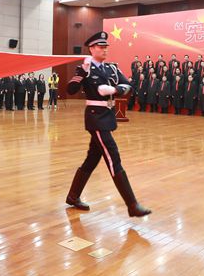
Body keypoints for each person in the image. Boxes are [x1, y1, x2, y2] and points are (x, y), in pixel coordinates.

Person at [64, 32, 151, 217]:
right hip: (95, 118)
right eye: (101, 47)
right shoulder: (85, 68)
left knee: (92, 159)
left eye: (106, 47)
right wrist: (82, 73)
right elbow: (70, 90)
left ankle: (73, 196)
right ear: (91, 49)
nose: (105, 50)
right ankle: (132, 205)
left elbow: (129, 87)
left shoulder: (112, 68)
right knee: (113, 157)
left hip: (108, 115)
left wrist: (115, 89)